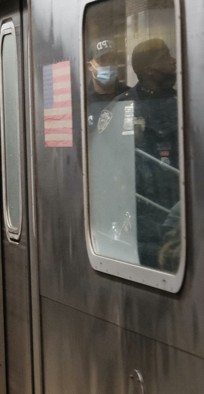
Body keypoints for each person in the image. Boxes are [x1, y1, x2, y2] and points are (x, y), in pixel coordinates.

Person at [105, 38, 179, 269]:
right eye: (166, 58)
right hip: (140, 217)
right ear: (149, 68)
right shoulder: (121, 108)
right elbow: (104, 167)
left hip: (177, 209)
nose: (173, 62)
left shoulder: (182, 102)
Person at [85, 38, 128, 133]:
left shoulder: (128, 96)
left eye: (113, 60)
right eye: (102, 61)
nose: (109, 65)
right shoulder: (83, 102)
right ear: (90, 66)